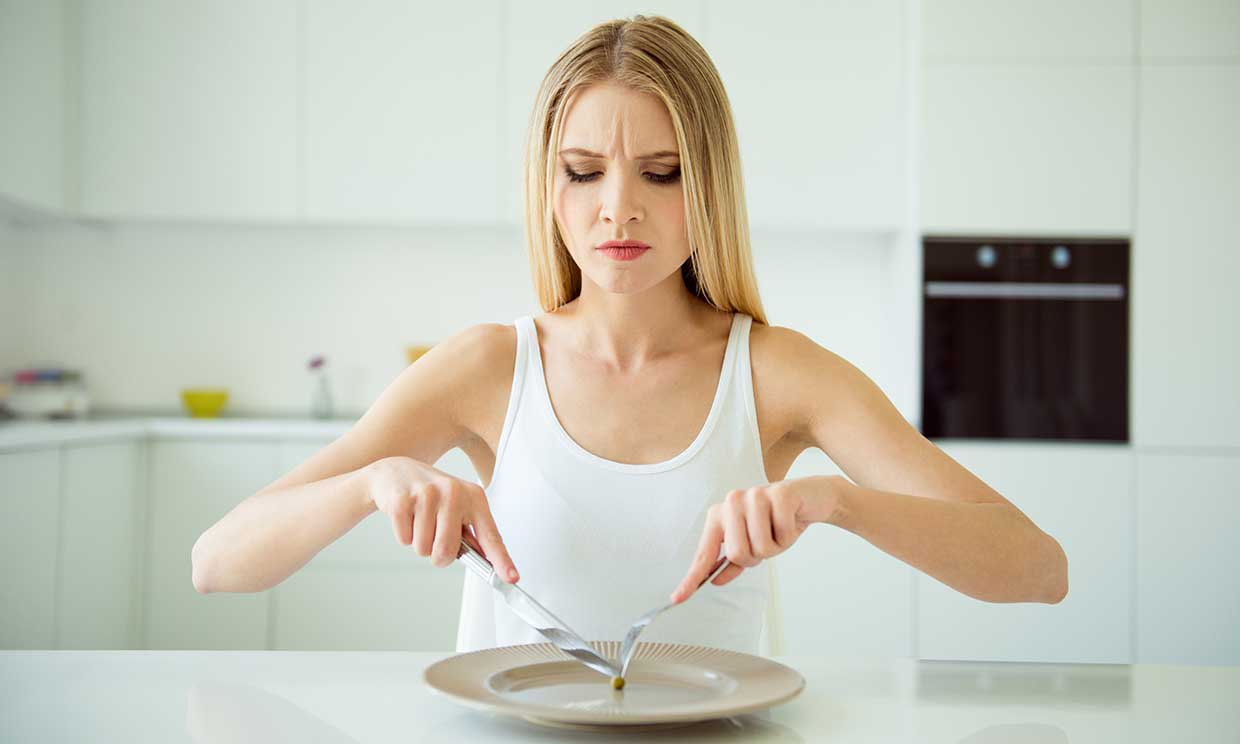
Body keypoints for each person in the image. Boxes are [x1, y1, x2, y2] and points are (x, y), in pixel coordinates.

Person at [191, 15, 1068, 656]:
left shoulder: (776, 374)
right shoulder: (488, 367)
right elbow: (216, 563)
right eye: (582, 172)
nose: (619, 208)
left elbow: (1037, 568)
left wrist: (833, 502)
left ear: (710, 183)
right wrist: (372, 484)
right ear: (548, 185)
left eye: (661, 172)